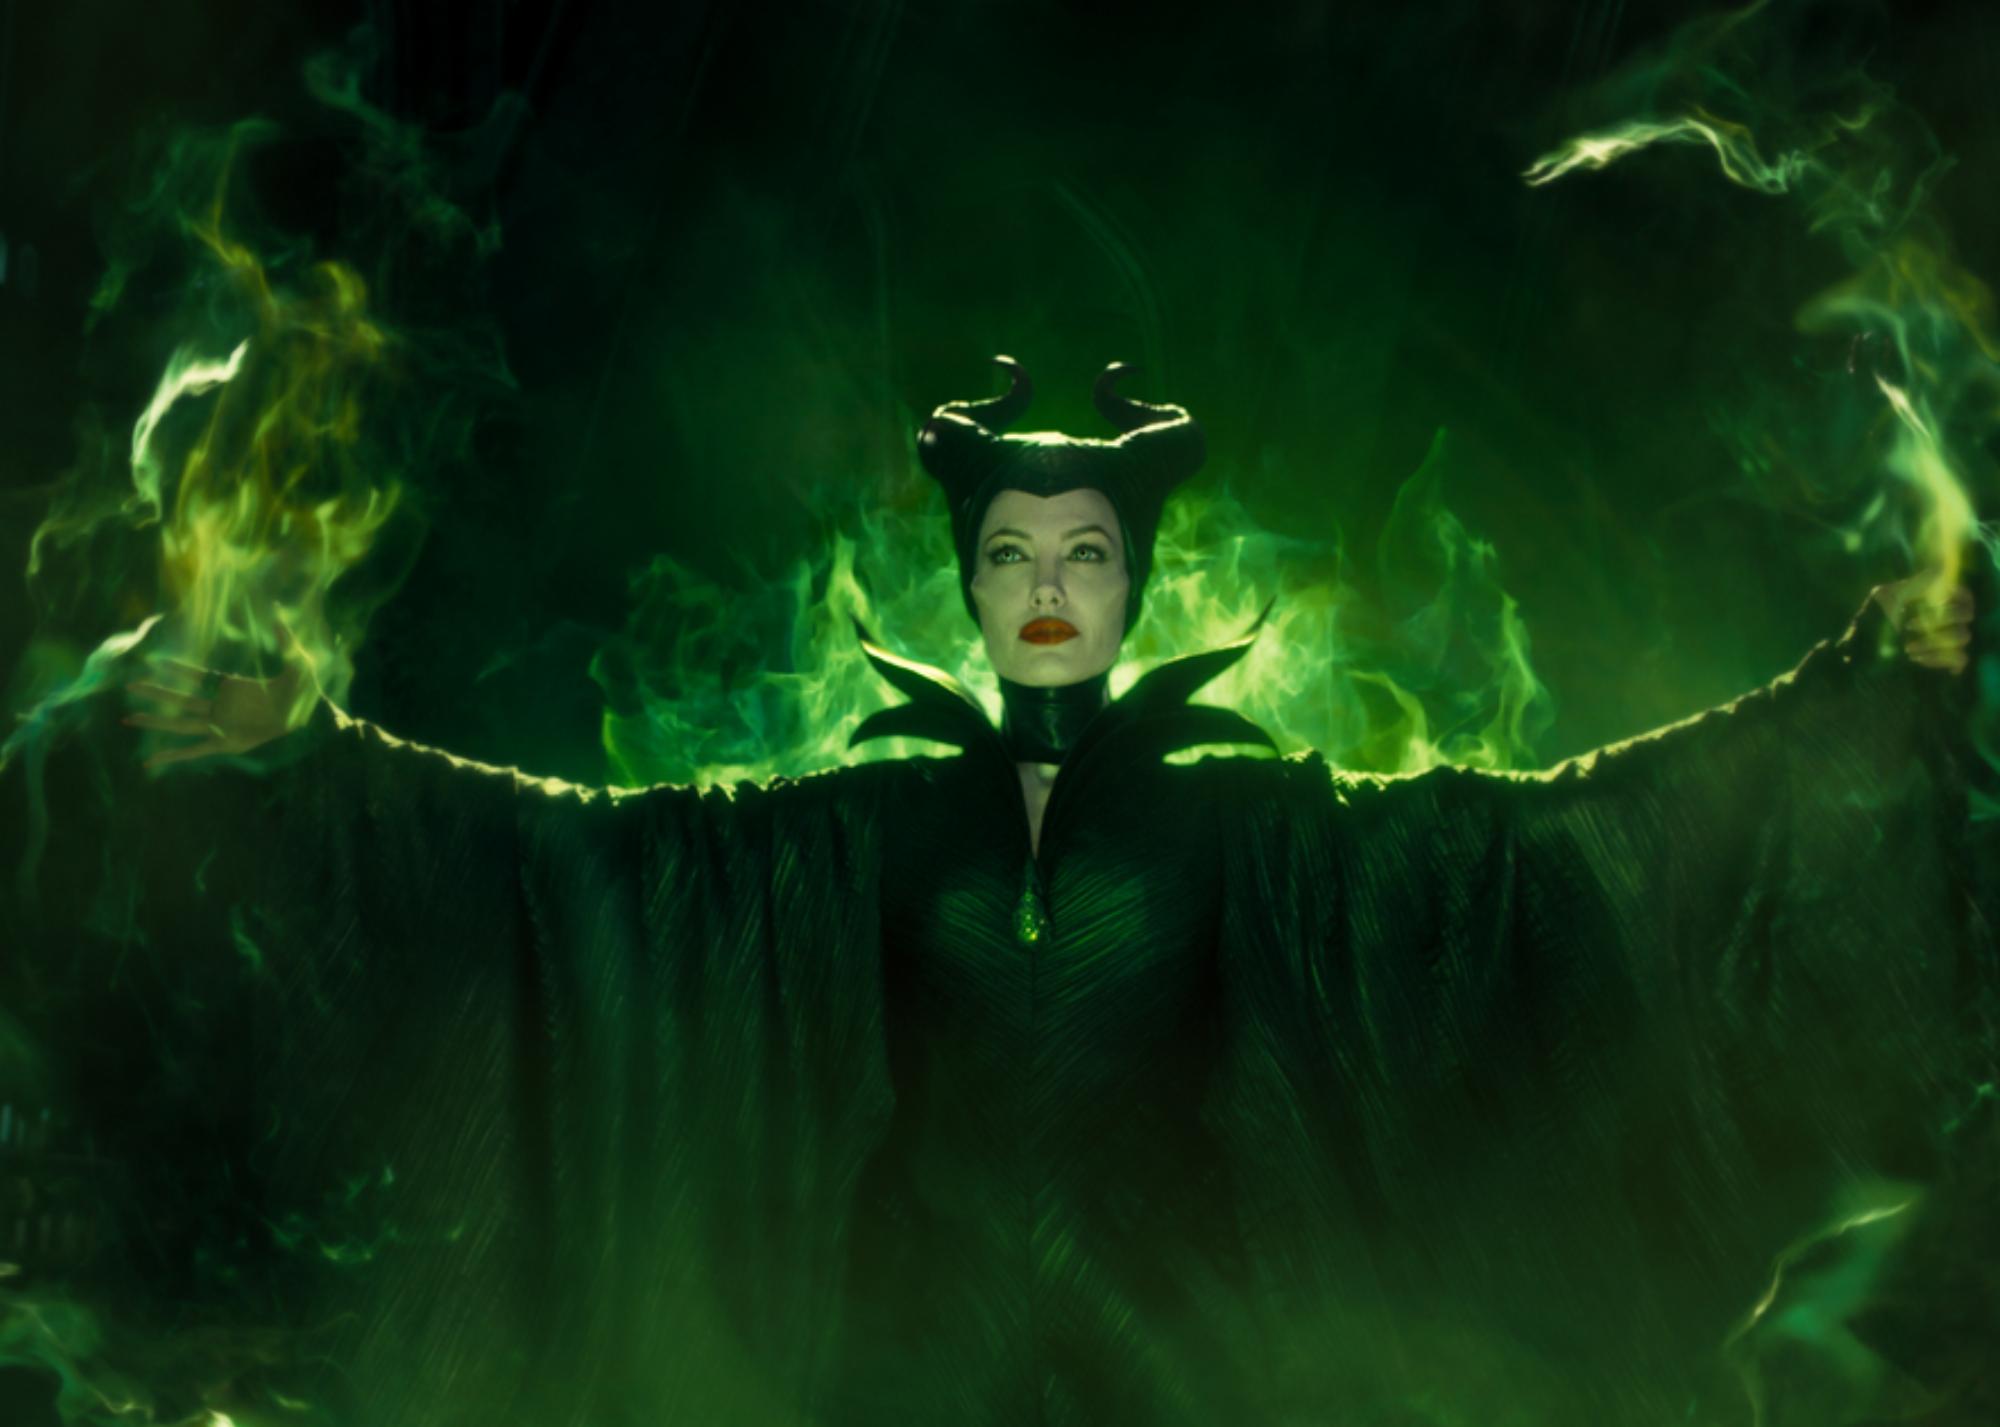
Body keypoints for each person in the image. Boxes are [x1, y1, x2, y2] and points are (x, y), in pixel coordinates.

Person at [43, 357, 1993, 1424]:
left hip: (1201, 1360)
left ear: (1132, 585)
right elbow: (571, 866)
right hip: (899, 1364)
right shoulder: (857, 831)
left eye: (1083, 554)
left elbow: (1550, 857)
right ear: (970, 586)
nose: (1048, 587)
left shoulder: (1260, 833)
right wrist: (323, 754)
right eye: (1009, 554)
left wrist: (1852, 690)